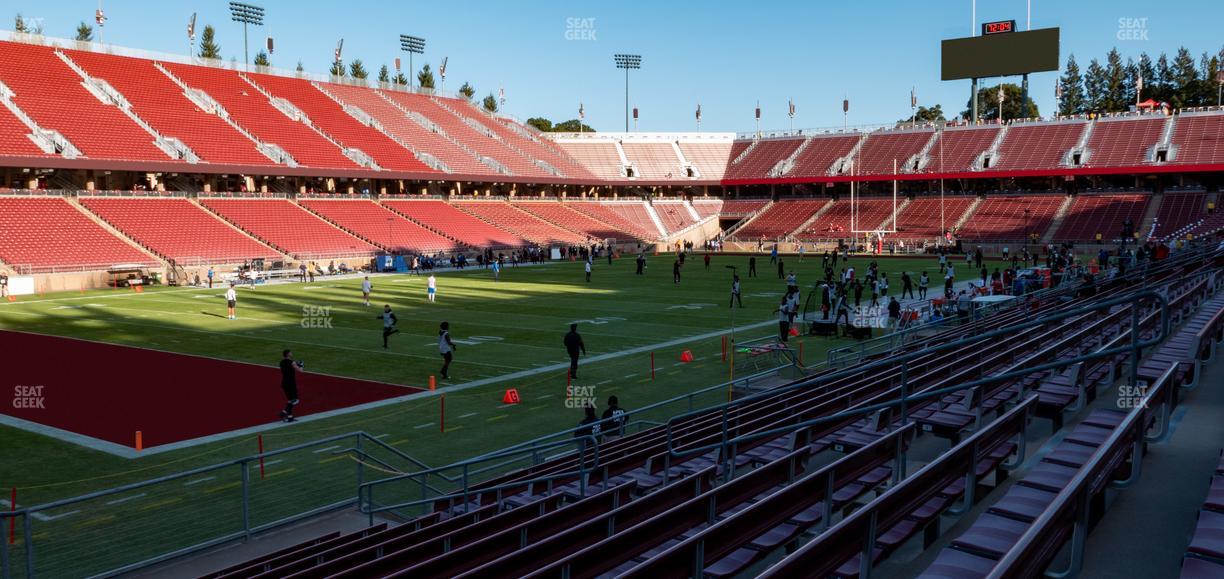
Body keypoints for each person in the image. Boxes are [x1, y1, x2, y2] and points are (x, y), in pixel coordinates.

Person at [278, 349, 303, 423]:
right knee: (295, 400)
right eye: (291, 352)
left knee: (290, 400)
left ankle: (290, 417)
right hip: (291, 383)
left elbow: (288, 368)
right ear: (288, 354)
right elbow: (301, 371)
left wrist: (296, 364)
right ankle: (284, 412)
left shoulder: (281, 362)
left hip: (284, 383)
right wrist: (301, 364)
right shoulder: (292, 362)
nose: (292, 353)